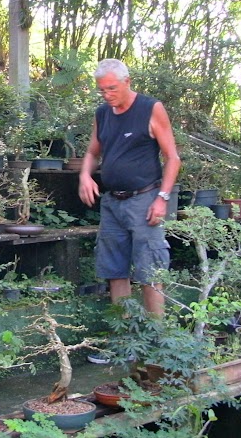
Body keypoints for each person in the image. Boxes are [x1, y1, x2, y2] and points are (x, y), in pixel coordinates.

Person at [78, 58, 180, 318]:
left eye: (112, 88)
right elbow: (92, 152)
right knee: (114, 270)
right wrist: (85, 176)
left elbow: (173, 158)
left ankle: (156, 336)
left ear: (127, 82)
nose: (107, 95)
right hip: (112, 203)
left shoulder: (150, 108)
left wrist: (162, 198)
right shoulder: (102, 114)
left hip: (144, 199)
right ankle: (124, 339)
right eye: (102, 90)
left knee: (150, 271)